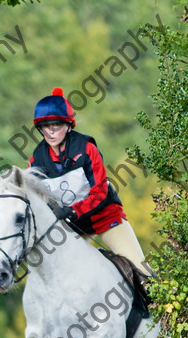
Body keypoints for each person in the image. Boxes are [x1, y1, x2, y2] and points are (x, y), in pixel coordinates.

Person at [29, 87, 149, 275]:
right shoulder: (36, 160)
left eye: (55, 126)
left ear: (68, 126)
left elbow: (100, 192)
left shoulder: (86, 149)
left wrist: (72, 210)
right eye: (45, 127)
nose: (50, 133)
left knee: (143, 272)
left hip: (106, 218)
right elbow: (38, 199)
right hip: (74, 229)